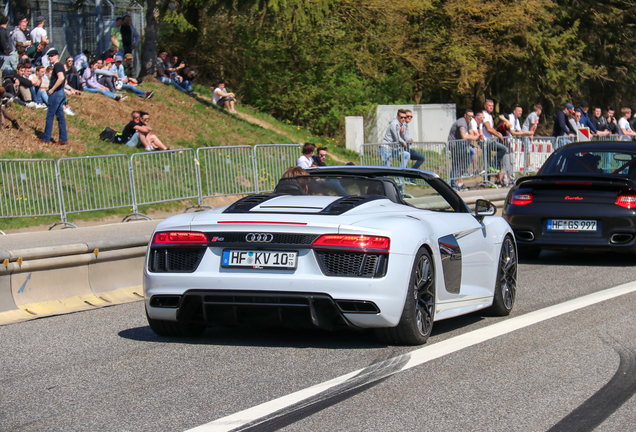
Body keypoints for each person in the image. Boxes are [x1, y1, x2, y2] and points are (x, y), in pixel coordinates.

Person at [41, 50, 67, 145]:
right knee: (60, 117)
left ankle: (45, 138)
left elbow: (61, 78)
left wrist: (52, 89)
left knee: (50, 116)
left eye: (52, 55)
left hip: (56, 93)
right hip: (60, 92)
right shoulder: (59, 66)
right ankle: (63, 139)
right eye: (49, 56)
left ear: (57, 56)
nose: (50, 57)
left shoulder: (57, 65)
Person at [447, 109, 478, 190]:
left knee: (471, 151)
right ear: (465, 115)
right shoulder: (461, 122)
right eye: (469, 116)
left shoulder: (469, 123)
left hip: (462, 146)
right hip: (455, 145)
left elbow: (471, 134)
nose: (471, 118)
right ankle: (452, 184)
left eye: (472, 116)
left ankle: (462, 171)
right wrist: (474, 137)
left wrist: (472, 137)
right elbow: (464, 136)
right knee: (456, 164)